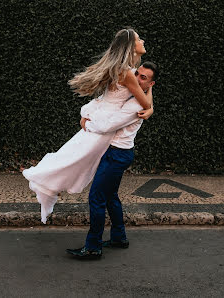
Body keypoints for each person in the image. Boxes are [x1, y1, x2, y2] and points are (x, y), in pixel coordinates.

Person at [21, 28, 153, 223]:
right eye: (138, 39)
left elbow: (143, 94)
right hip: (102, 125)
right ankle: (48, 185)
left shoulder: (125, 71)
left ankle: (49, 186)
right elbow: (145, 101)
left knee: (72, 156)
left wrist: (149, 109)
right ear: (131, 47)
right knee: (74, 159)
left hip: (100, 119)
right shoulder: (128, 74)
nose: (142, 41)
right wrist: (149, 109)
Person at [66, 62, 158, 259]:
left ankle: (93, 247)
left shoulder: (135, 104)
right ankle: (118, 237)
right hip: (116, 153)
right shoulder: (135, 95)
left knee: (96, 197)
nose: (137, 78)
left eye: (143, 78)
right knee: (110, 196)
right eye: (137, 74)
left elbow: (109, 125)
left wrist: (86, 122)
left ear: (151, 84)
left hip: (116, 154)